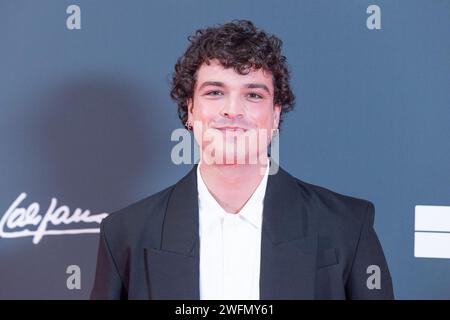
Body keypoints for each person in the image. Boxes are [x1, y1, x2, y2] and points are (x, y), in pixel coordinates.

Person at [90, 20, 394, 300]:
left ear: (275, 113)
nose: (232, 110)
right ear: (191, 109)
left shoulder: (347, 226)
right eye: (214, 92)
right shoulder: (127, 233)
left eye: (253, 95)